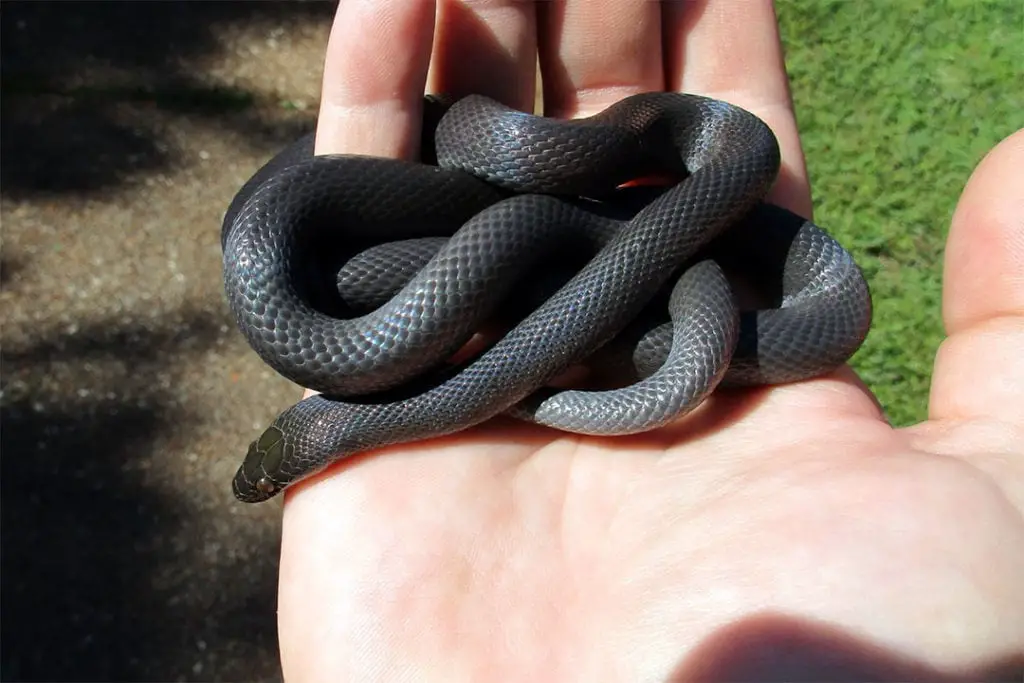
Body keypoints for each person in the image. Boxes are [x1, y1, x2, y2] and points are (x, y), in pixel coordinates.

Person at [275, 1, 1024, 679]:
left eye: (277, 477)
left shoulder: (730, 174)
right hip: (597, 245)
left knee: (554, 235)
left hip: (633, 226)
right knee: (557, 242)